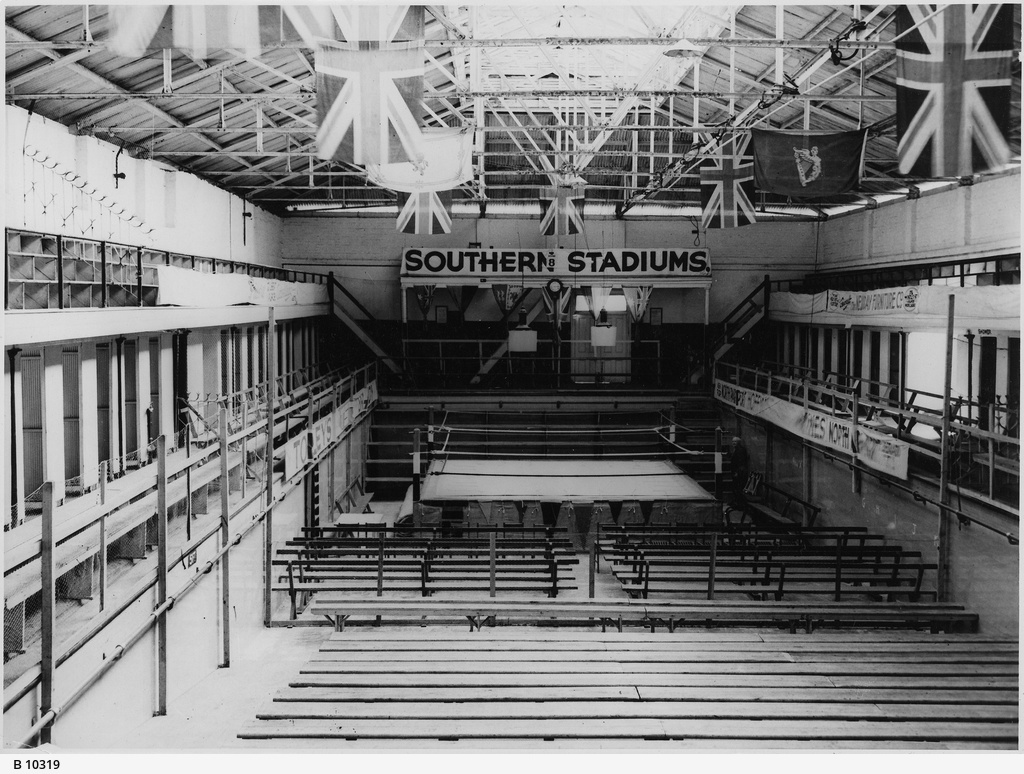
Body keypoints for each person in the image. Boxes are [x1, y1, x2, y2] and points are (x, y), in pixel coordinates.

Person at [729, 436, 750, 509]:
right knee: (736, 488)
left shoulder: (740, 450)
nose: (733, 443)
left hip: (739, 472)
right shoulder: (736, 449)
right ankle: (736, 502)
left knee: (738, 488)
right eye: (732, 442)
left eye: (735, 442)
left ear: (739, 443)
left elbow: (741, 462)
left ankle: (738, 504)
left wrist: (737, 472)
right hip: (736, 471)